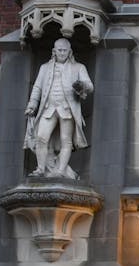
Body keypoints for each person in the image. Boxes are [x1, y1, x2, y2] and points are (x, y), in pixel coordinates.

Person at [24, 38, 93, 179]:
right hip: (48, 109)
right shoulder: (45, 68)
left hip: (67, 110)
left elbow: (90, 86)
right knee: (41, 138)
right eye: (59, 50)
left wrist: (82, 86)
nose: (62, 53)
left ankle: (61, 170)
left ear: (70, 52)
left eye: (65, 50)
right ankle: (41, 169)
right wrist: (32, 104)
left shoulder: (78, 67)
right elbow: (37, 87)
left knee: (65, 141)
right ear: (54, 51)